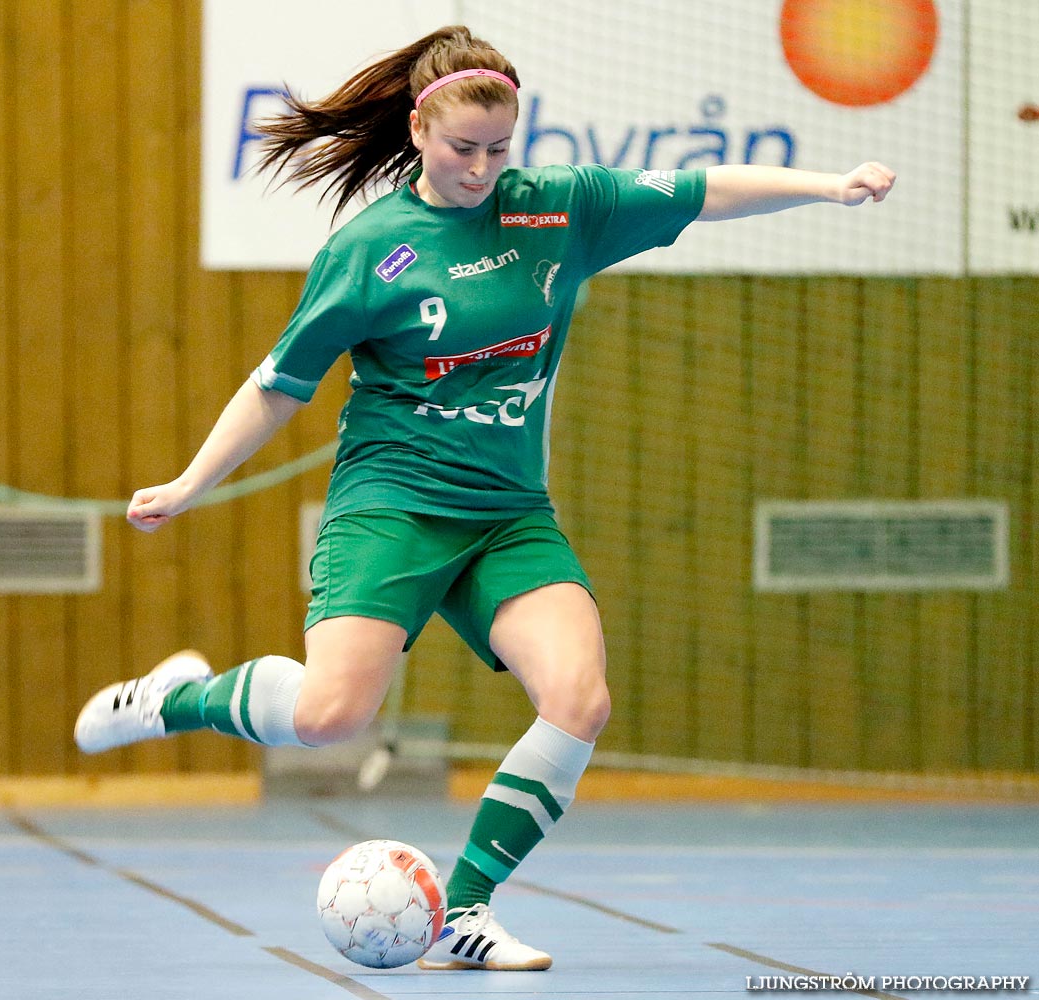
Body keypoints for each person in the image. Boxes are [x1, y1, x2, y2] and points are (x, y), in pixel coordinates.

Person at [74, 25, 895, 971]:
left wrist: (829, 186)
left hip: (508, 514)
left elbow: (705, 189)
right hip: (393, 503)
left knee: (579, 699)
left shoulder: (557, 211)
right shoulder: (372, 249)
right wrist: (187, 484)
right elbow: (277, 385)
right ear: (421, 128)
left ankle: (463, 911)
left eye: (500, 148)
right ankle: (181, 699)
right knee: (332, 715)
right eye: (464, 148)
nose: (482, 167)